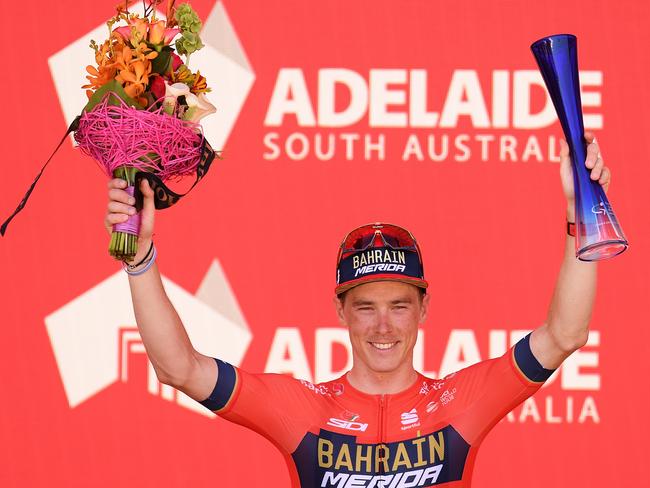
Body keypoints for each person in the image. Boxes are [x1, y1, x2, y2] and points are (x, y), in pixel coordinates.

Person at [104, 132, 610, 487]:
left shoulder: (459, 403)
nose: (383, 326)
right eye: (365, 307)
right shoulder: (302, 409)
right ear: (340, 312)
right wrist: (141, 258)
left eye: (399, 306)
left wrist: (579, 211)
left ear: (424, 309)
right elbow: (177, 368)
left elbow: (565, 334)